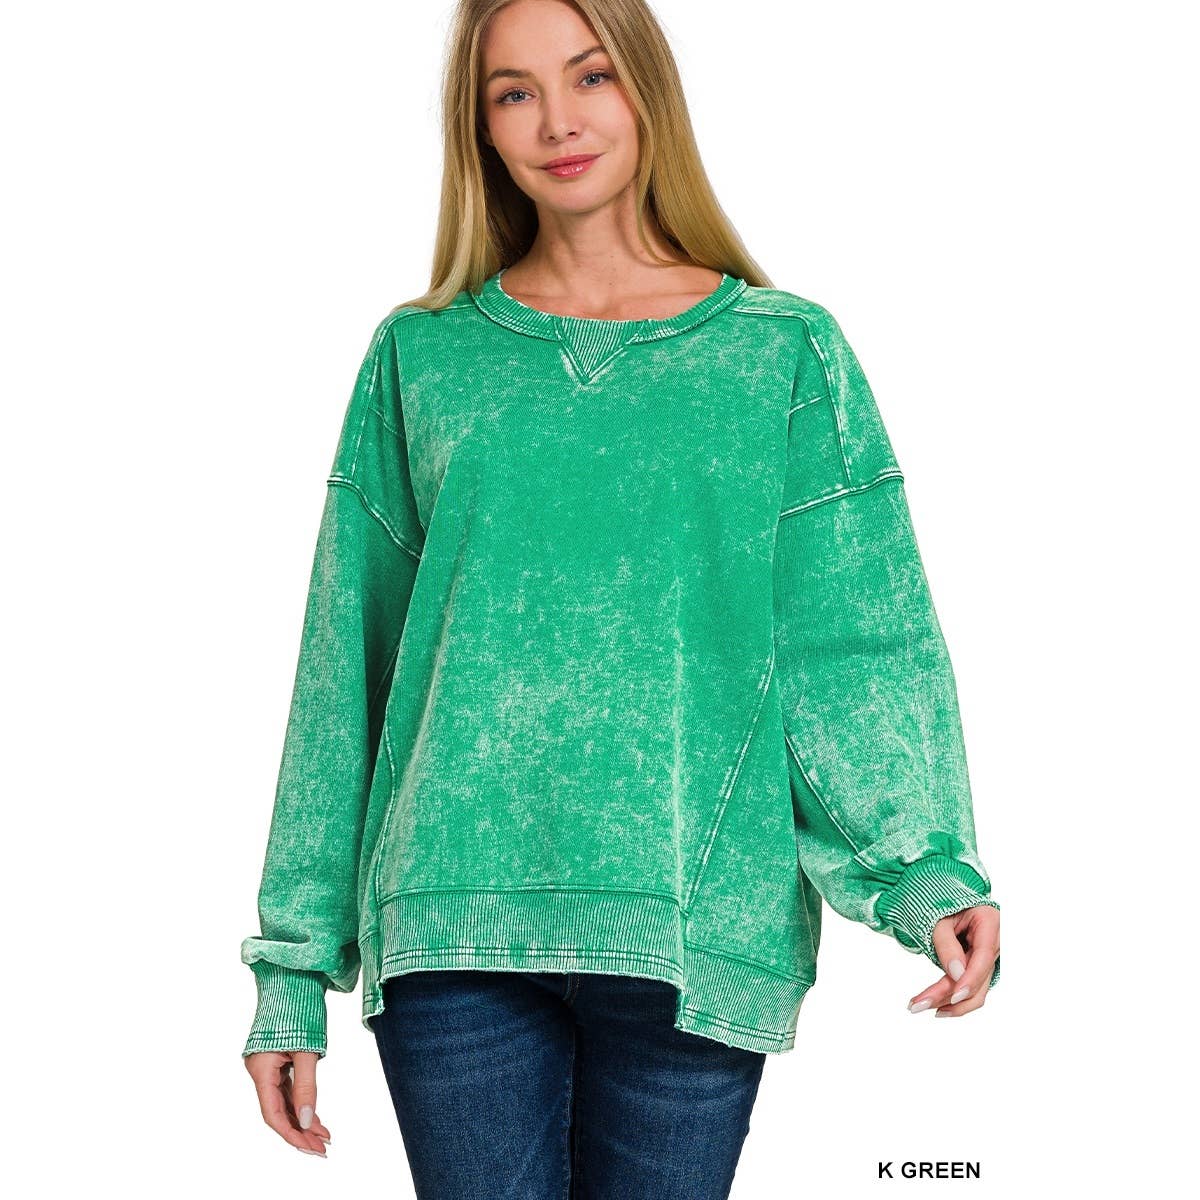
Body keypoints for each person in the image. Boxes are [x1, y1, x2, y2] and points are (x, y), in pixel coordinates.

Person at [240, 0, 1002, 1194]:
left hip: (692, 925)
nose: (558, 121)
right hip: (451, 923)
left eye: (590, 76)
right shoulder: (421, 356)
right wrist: (291, 966)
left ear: (647, 87)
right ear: (480, 127)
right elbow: (348, 669)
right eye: (514, 92)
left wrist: (924, 869)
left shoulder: (783, 352)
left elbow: (853, 645)